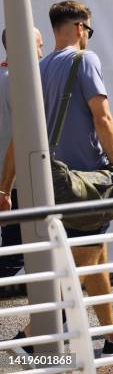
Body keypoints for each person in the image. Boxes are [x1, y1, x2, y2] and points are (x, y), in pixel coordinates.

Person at [0, 0, 113, 356]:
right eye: (89, 31)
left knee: (96, 257)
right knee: (85, 260)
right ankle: (30, 338)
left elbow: (22, 135)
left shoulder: (39, 67)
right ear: (81, 27)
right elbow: (103, 116)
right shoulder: (85, 60)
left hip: (52, 182)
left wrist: (5, 185)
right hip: (87, 182)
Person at [0, 28, 43, 278]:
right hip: (17, 183)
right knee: (15, 254)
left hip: (9, 184)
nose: (40, 53)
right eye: (38, 46)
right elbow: (22, 135)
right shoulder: (23, 84)